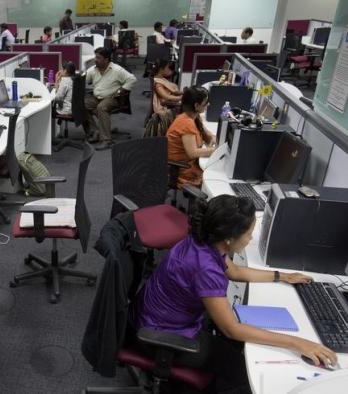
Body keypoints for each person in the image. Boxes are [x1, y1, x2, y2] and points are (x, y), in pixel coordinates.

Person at [128, 195, 337, 393]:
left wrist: (281, 275)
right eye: (248, 234)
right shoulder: (206, 268)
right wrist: (298, 343)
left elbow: (235, 271)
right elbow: (231, 329)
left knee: (240, 346)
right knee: (241, 370)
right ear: (229, 238)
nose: (250, 239)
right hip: (161, 336)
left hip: (152, 316)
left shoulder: (205, 241)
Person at [84, 47, 137, 150]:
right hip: (97, 97)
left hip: (112, 99)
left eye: (98, 58)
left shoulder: (116, 70)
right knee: (80, 104)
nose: (95, 59)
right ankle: (95, 131)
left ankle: (106, 140)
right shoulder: (93, 69)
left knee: (101, 107)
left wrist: (121, 90)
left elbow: (132, 79)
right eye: (95, 57)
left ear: (106, 59)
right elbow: (86, 80)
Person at [165, 86, 215, 188]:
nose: (208, 104)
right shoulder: (186, 123)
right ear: (196, 105)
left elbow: (208, 134)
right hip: (182, 170)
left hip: (188, 164)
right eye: (206, 102)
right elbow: (192, 153)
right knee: (213, 181)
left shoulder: (192, 117)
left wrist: (211, 139)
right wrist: (214, 150)